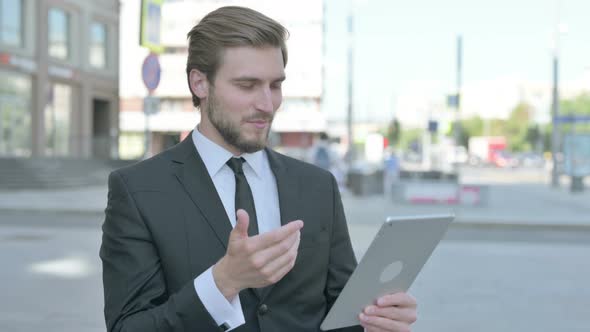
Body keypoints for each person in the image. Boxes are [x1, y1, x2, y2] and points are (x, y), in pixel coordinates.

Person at [100, 6, 417, 332]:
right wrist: (222, 282)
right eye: (247, 85)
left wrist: (375, 321)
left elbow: (339, 316)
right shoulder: (138, 190)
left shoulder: (318, 186)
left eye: (275, 85)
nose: (267, 104)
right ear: (200, 83)